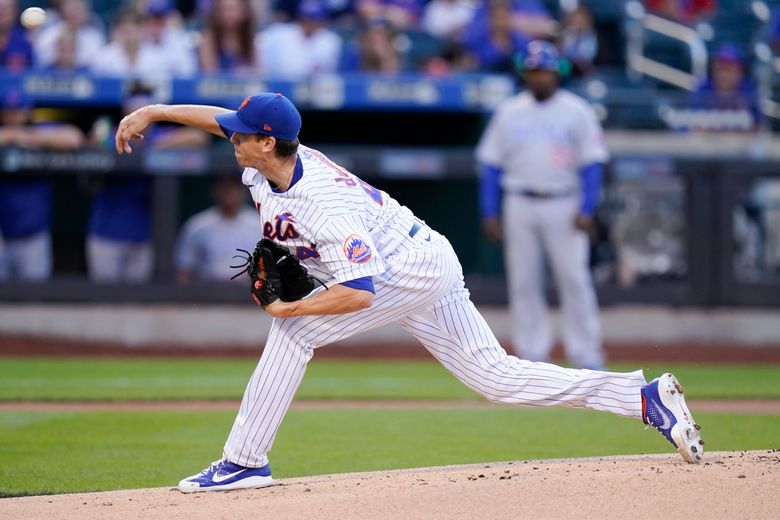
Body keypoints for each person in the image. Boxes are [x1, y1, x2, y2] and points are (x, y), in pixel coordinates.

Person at [115, 90, 705, 493]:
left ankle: (244, 461)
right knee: (494, 377)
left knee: (293, 330)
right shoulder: (271, 159)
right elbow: (220, 118)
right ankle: (643, 397)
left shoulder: (321, 203)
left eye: (244, 135)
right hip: (425, 257)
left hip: (407, 270)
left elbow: (360, 294)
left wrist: (293, 305)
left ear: (267, 143)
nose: (232, 139)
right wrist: (156, 111)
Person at [476, 41, 606, 370]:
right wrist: (490, 211)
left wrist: (587, 208)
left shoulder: (577, 110)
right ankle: (532, 353)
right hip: (519, 200)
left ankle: (586, 353)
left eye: (545, 71)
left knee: (574, 279)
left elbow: (592, 163)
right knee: (523, 281)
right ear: (525, 73)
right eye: (534, 71)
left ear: (557, 73)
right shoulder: (510, 111)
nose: (540, 77)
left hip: (564, 200)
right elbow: (490, 165)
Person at [86, 91, 208, 283]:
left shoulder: (158, 136)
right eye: (133, 111)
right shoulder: (112, 136)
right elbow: (92, 147)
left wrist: (153, 148)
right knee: (104, 300)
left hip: (142, 236)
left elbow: (198, 137)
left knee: (136, 301)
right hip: (106, 234)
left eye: (143, 112)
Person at [0, 90, 84, 281]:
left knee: (34, 301)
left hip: (33, 236)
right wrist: (9, 136)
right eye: (10, 111)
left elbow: (73, 138)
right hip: (2, 237)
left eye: (19, 111)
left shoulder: (40, 130)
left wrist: (24, 138)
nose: (14, 116)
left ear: (28, 112)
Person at [175, 175, 263, 282]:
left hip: (250, 292)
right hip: (207, 291)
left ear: (244, 191)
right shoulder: (197, 225)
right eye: (223, 186)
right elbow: (183, 270)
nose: (229, 191)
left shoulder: (260, 224)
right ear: (214, 190)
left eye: (234, 186)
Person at [258, 0, 342, 81]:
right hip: (279, 85)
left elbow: (329, 74)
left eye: (314, 20)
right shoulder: (277, 33)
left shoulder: (330, 40)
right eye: (306, 19)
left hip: (314, 89)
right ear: (300, 17)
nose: (310, 23)